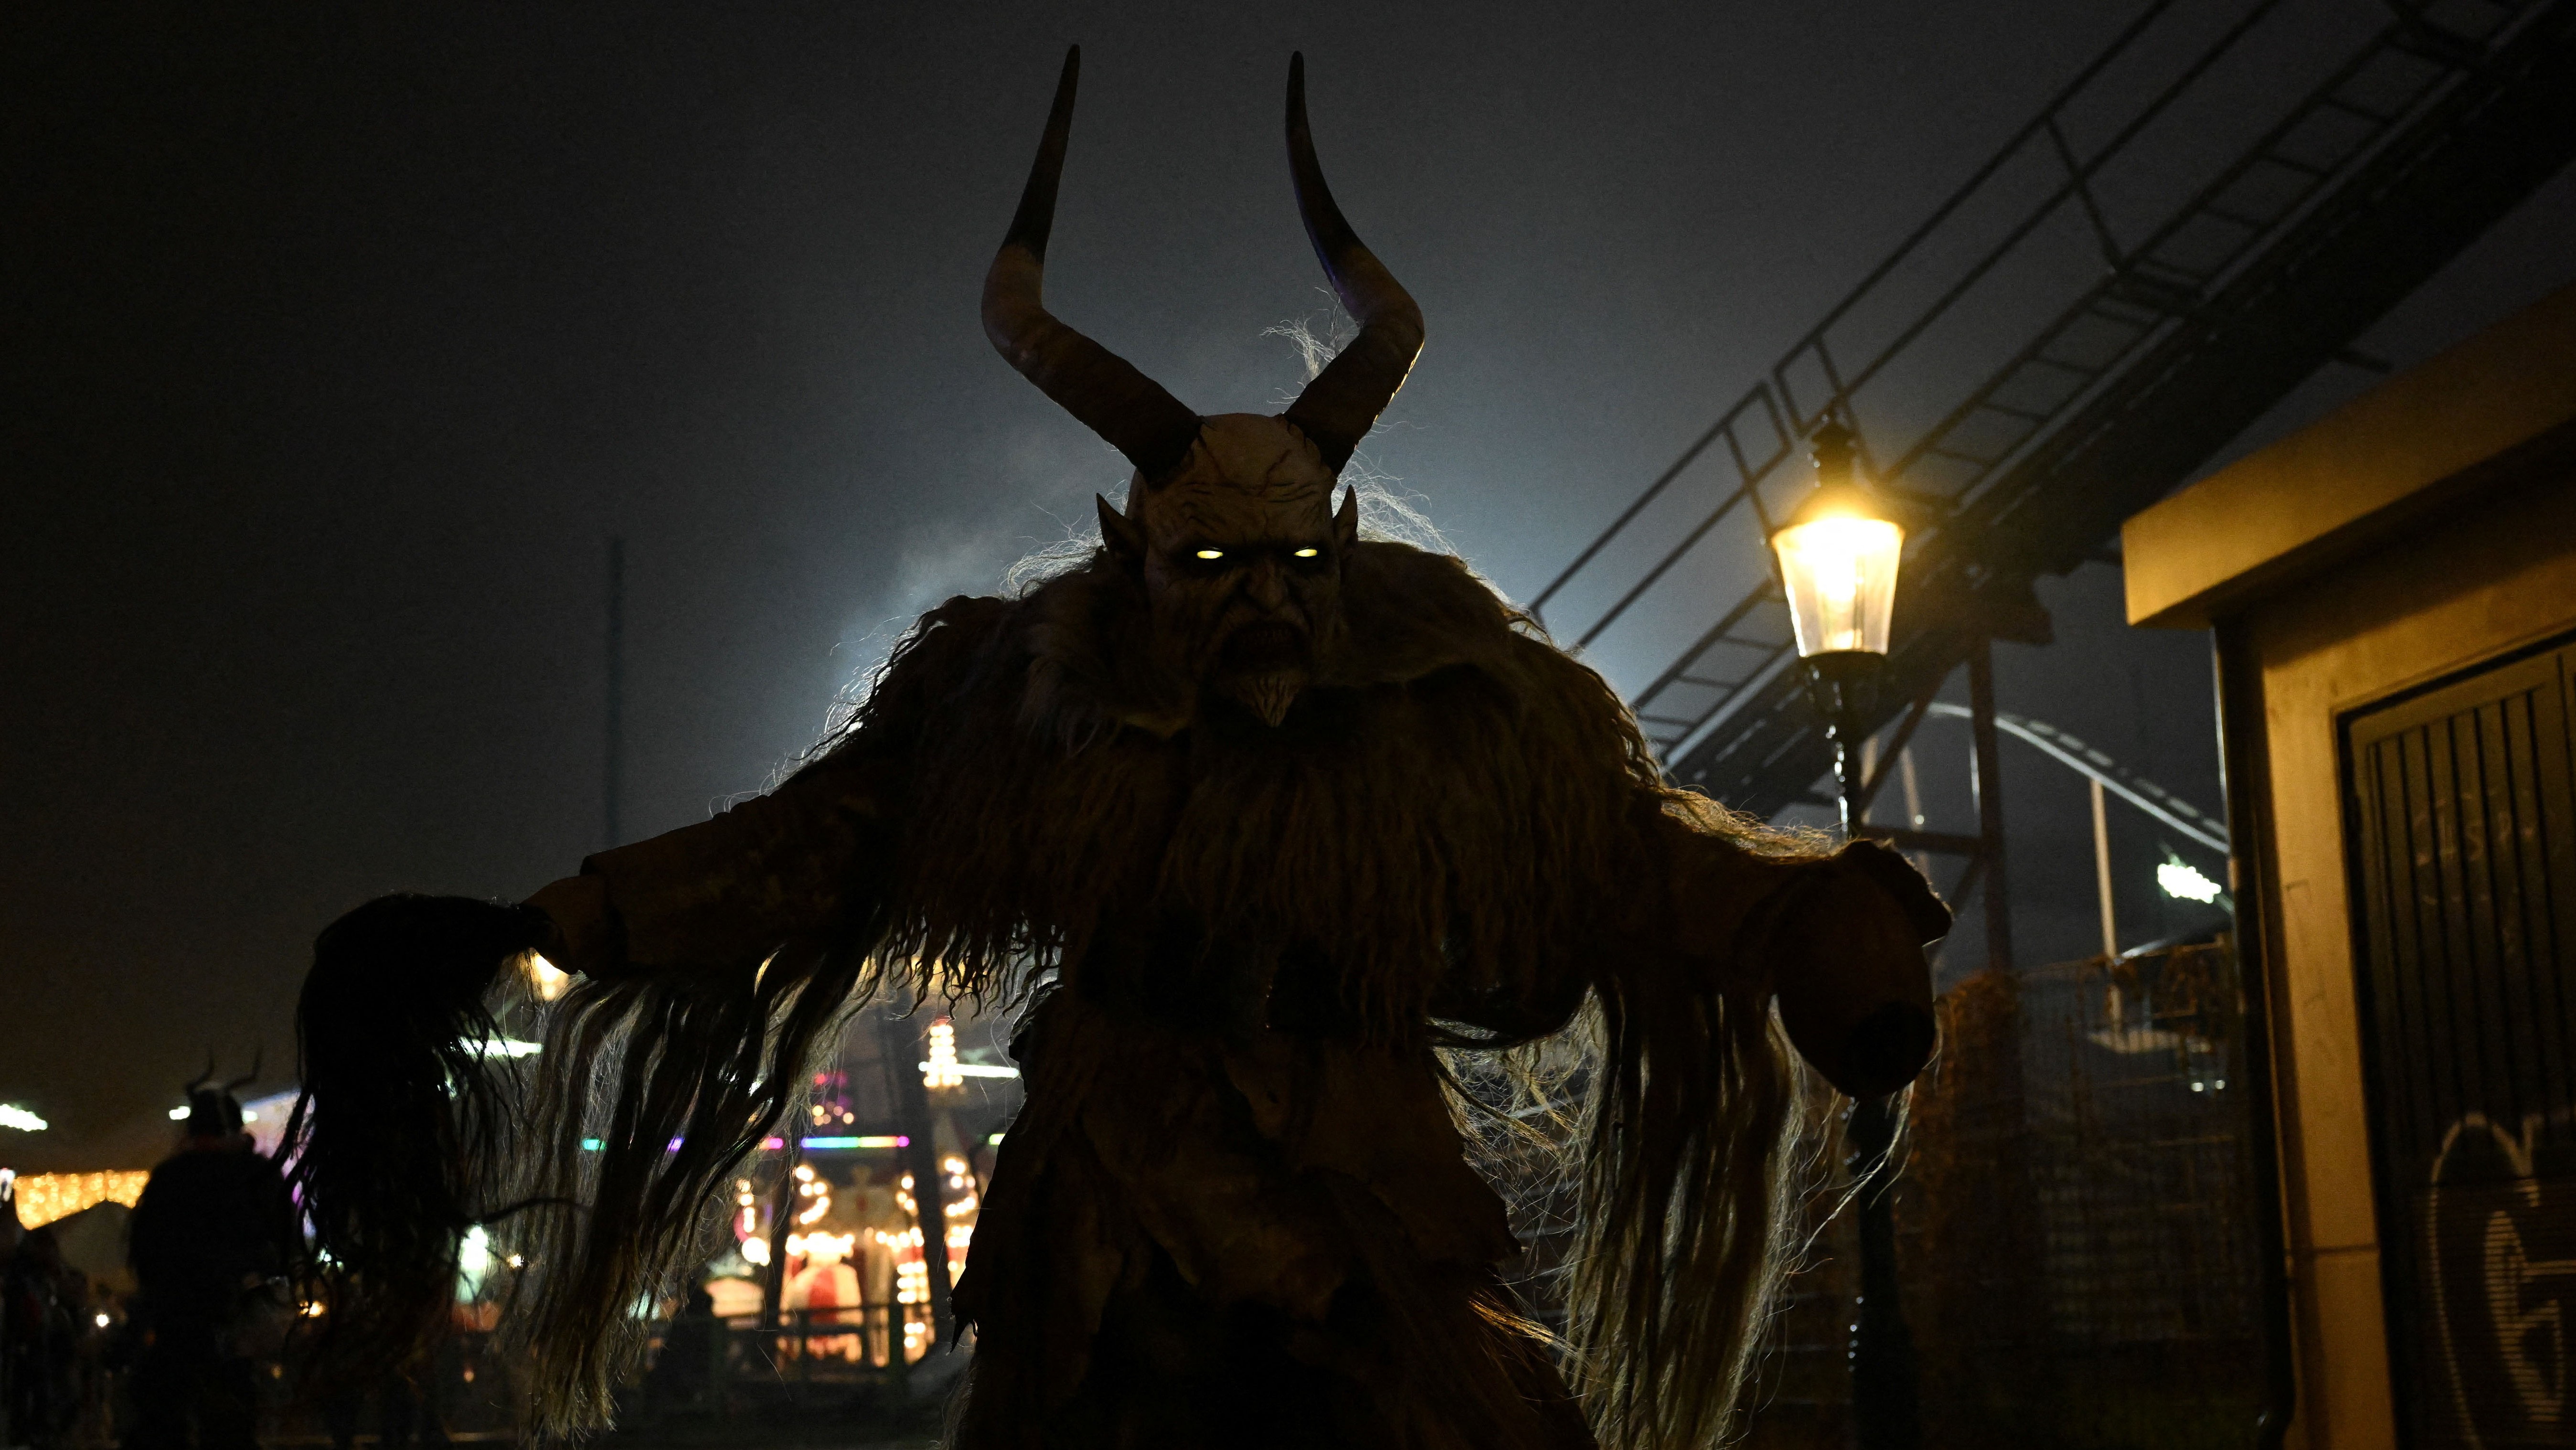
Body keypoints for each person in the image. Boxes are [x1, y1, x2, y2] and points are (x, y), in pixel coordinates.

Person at [284, 49, 1950, 1449]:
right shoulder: (1020, 711)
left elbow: (1622, 851)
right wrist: (573, 915)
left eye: (1296, 565)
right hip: (1118, 1206)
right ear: (1132, 557)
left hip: (1363, 1199)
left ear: (1344, 553)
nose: (1265, 607)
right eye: (1214, 564)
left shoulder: (1453, 715)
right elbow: (822, 842)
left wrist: (1807, 916)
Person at [127, 1081, 297, 1450]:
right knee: (232, 1412)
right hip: (240, 1311)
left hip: (180, 1314)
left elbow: (144, 1250)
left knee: (167, 1413)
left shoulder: (170, 1178)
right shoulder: (258, 1174)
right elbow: (287, 1240)